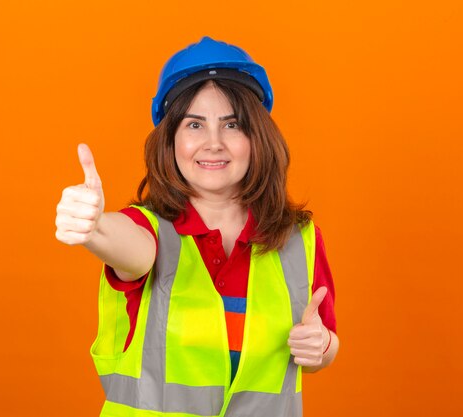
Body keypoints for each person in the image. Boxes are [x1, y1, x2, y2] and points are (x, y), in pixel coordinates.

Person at [55, 36, 339, 417]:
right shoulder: (149, 230)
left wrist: (320, 347)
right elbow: (131, 250)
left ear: (258, 138)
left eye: (232, 124)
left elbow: (325, 343)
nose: (213, 143)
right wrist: (94, 227)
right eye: (194, 125)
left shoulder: (298, 240)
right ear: (170, 141)